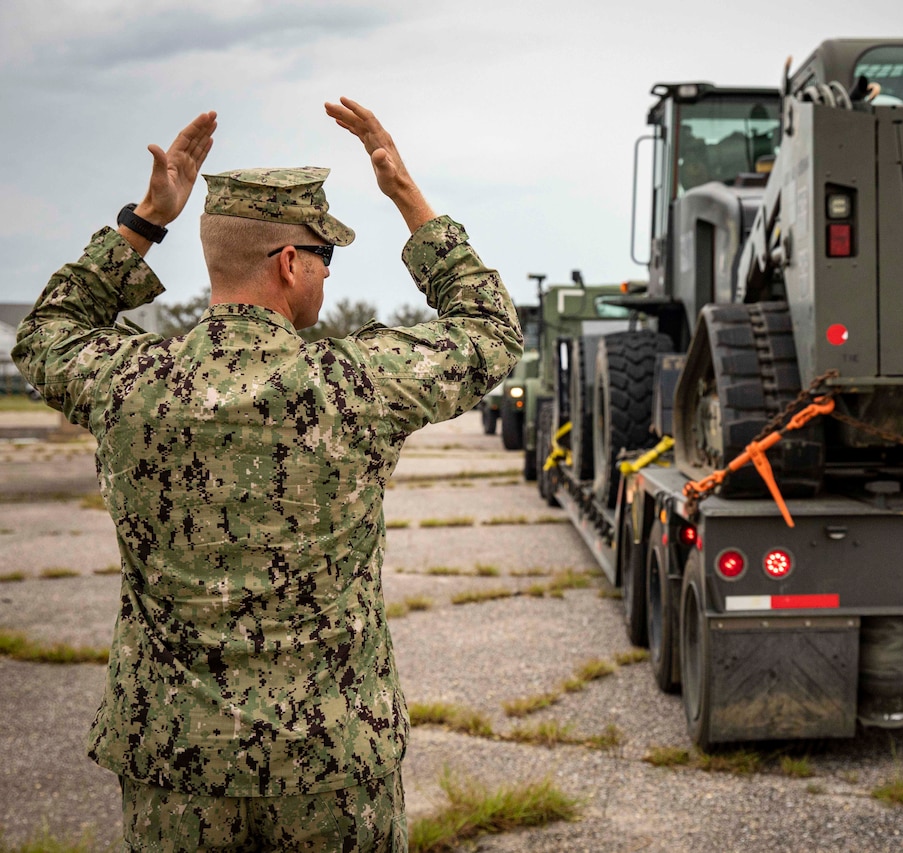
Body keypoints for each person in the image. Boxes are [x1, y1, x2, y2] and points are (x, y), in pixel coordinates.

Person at [11, 99, 521, 851]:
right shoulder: (358, 384)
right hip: (333, 763)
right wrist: (407, 194)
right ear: (290, 262)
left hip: (175, 763)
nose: (322, 274)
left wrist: (146, 219)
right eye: (325, 257)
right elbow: (489, 328)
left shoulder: (129, 380)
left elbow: (46, 332)